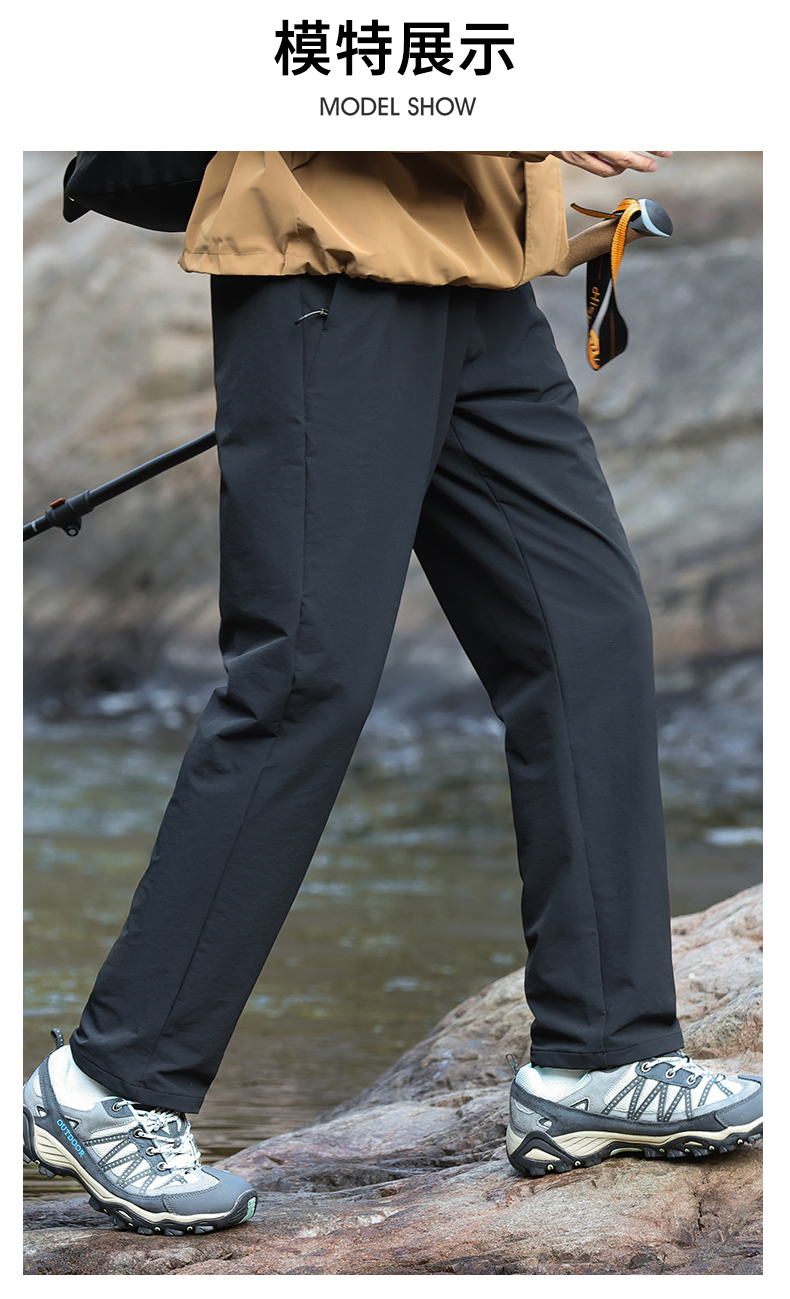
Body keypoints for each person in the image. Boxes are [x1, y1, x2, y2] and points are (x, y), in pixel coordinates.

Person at [23, 150, 763, 1235]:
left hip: (479, 276)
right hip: (331, 264)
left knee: (589, 637)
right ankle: (110, 1085)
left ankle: (601, 1058)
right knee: (302, 678)